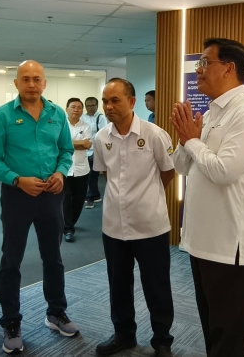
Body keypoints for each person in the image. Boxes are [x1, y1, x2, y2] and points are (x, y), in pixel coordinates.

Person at [171, 38, 244, 357]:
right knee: (212, 326)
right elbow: (182, 167)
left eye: (205, 63)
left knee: (229, 333)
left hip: (231, 245)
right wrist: (186, 141)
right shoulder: (212, 112)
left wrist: (193, 141)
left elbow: (224, 171)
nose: (198, 71)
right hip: (203, 239)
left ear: (228, 68)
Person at [0, 60, 80, 354]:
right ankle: (11, 322)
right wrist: (17, 179)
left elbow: (66, 151)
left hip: (51, 196)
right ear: (16, 83)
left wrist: (61, 172)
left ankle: (56, 313)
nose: (32, 84)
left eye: (37, 79)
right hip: (17, 196)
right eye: (26, 79)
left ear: (45, 83)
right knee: (11, 260)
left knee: (54, 258)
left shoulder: (56, 114)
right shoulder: (1, 116)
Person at [93, 79, 176, 357]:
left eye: (115, 100)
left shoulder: (154, 134)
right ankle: (124, 334)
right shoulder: (101, 137)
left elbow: (168, 171)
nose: (108, 106)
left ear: (131, 101)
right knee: (118, 285)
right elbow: (106, 173)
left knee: (157, 286)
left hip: (150, 225)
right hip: (114, 226)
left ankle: (162, 339)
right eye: (105, 101)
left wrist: (147, 197)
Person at [63, 97, 93, 242]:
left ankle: (70, 222)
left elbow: (87, 145)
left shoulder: (86, 126)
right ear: (67, 109)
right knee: (65, 199)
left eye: (79, 107)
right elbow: (59, 144)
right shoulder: (61, 126)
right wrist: (78, 143)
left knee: (79, 200)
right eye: (73, 107)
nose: (76, 109)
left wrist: (68, 143)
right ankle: (68, 228)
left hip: (82, 169)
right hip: (64, 169)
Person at [82, 96, 109, 207]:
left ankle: (90, 198)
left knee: (93, 175)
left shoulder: (101, 118)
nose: (91, 107)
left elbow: (104, 133)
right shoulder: (82, 117)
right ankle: (96, 195)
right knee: (87, 175)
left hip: (96, 150)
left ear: (97, 106)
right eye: (88, 105)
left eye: (93, 105)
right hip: (84, 150)